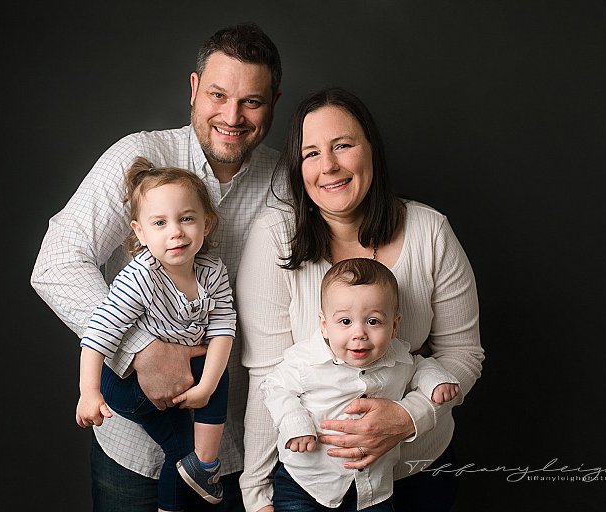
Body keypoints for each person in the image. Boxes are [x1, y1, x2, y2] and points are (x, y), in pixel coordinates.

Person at [31, 22, 283, 511]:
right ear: (194, 89)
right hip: (134, 453)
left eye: (252, 101)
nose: (232, 115)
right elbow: (56, 262)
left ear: (274, 101)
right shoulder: (140, 155)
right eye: (217, 95)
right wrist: (141, 349)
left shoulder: (289, 181)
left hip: (244, 453)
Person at [238, 87, 484, 512]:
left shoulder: (430, 231)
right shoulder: (275, 237)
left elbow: (463, 355)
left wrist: (409, 417)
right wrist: (257, 493)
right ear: (299, 168)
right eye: (311, 153)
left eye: (343, 146)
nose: (328, 166)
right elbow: (268, 377)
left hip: (417, 472)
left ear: (371, 149)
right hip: (312, 482)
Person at [76, 157, 235, 510]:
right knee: (206, 370)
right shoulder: (141, 278)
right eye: (160, 223)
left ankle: (194, 472)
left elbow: (224, 328)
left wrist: (206, 387)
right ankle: (207, 464)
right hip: (124, 385)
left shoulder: (212, 270)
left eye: (186, 219)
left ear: (206, 224)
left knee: (182, 453)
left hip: (178, 378)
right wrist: (88, 392)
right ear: (140, 233)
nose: (175, 231)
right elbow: (97, 334)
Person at [262, 258, 460, 511]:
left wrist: (437, 382)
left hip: (372, 488)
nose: (359, 333)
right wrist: (295, 424)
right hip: (306, 483)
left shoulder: (398, 358)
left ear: (394, 325)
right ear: (324, 325)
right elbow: (274, 387)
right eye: (345, 322)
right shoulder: (306, 361)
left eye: (373, 321)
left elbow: (420, 366)